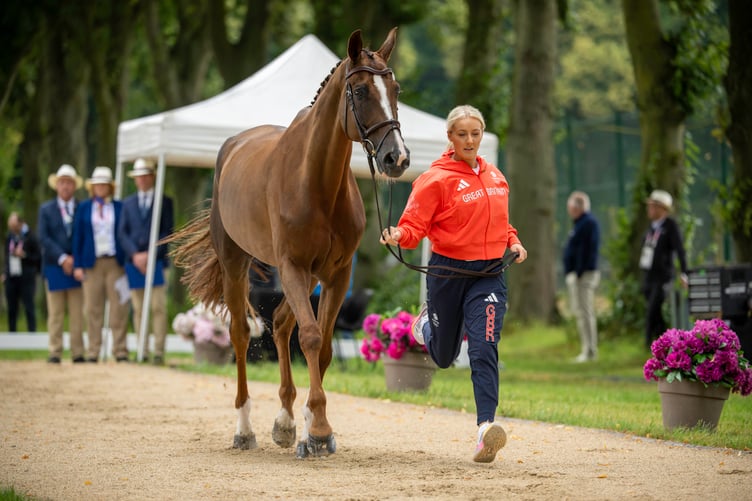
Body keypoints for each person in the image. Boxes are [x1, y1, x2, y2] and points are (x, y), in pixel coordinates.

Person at [379, 104, 527, 463]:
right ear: (450, 137)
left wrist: (514, 242)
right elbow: (415, 225)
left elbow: (501, 223)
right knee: (444, 357)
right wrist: (399, 233)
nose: (470, 140)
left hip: (489, 275)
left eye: (475, 133)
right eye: (463, 134)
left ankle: (484, 430)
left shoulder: (496, 177)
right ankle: (425, 324)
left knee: (483, 347)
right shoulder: (435, 179)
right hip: (448, 273)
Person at [117, 158, 174, 365]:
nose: (141, 180)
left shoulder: (164, 201)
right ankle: (143, 349)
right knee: (139, 308)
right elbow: (122, 233)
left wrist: (151, 254)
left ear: (152, 177)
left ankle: (159, 351)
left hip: (157, 261)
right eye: (138, 177)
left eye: (145, 176)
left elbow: (168, 232)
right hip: (134, 263)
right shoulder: (127, 203)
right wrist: (135, 255)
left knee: (158, 307)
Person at [72, 166, 130, 362]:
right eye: (97, 184)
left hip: (115, 262)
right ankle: (93, 350)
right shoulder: (84, 208)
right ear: (92, 187)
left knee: (118, 307)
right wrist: (78, 264)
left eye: (104, 184)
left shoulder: (120, 207)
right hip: (92, 263)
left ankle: (120, 350)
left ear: (110, 187)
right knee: (92, 308)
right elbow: (77, 237)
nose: (101, 188)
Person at [38, 164, 86, 363]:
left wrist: (75, 259)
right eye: (62, 182)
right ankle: (55, 350)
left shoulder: (82, 208)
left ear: (74, 186)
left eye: (69, 183)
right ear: (57, 185)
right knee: (56, 312)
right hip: (54, 265)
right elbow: (44, 237)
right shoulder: (46, 210)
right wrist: (62, 258)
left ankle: (77, 352)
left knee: (77, 313)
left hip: (76, 267)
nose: (65, 186)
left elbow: (85, 236)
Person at [640, 189, 688, 350]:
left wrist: (684, 272)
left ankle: (647, 342)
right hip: (649, 275)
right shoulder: (651, 227)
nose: (649, 209)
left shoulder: (670, 226)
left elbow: (680, 250)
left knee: (653, 308)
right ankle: (664, 341)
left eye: (653, 206)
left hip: (663, 276)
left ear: (662, 208)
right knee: (655, 310)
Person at [563, 191, 600, 363]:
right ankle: (587, 349)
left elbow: (588, 251)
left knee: (585, 313)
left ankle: (590, 351)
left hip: (585, 275)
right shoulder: (580, 223)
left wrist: (578, 272)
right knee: (581, 312)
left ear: (576, 207)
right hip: (579, 274)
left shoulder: (588, 223)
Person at [2, 212, 41, 332]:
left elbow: (38, 257)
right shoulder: (10, 237)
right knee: (12, 308)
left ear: (20, 224)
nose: (13, 229)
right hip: (12, 276)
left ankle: (32, 333)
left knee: (29, 306)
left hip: (27, 277)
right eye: (11, 227)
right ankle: (12, 334)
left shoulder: (31, 237)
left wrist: (25, 255)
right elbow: (7, 256)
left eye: (15, 226)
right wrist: (5, 272)